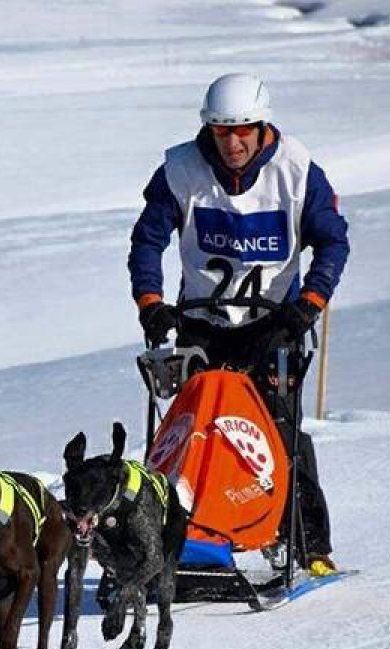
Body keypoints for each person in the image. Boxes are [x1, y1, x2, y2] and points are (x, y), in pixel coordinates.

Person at [128, 73, 349, 577]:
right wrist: (151, 302)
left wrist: (310, 304)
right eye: (223, 130)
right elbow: (147, 240)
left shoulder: (297, 169)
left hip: (276, 324)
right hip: (200, 322)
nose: (234, 141)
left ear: (261, 124)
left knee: (278, 430)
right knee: (192, 430)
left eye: (244, 129)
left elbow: (333, 242)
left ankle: (309, 544)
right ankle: (186, 539)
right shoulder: (179, 169)